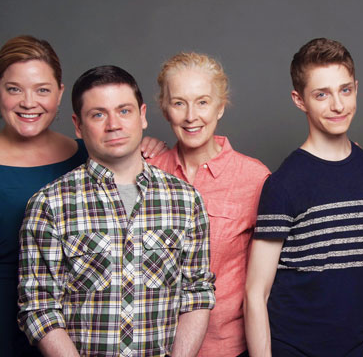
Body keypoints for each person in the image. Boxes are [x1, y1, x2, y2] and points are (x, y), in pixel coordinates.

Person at [0, 36, 165, 356]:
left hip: (87, 340)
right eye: (14, 89)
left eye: (42, 89)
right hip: (9, 339)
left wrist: (153, 149)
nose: (29, 102)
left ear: (60, 94)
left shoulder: (91, 153)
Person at [17, 65, 215, 356]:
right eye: (98, 114)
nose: (114, 124)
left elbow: (197, 294)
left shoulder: (186, 201)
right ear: (77, 124)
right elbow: (39, 307)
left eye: (124, 111)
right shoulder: (49, 204)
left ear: (142, 115)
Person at [244, 38, 363, 357]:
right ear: (300, 100)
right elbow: (255, 291)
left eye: (345, 90)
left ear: (356, 88)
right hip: (295, 347)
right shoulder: (283, 184)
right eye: (322, 94)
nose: (337, 105)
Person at [148, 52, 270, 357]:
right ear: (164, 109)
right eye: (179, 103)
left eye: (202, 102)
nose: (191, 116)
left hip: (225, 347)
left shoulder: (254, 178)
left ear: (220, 106)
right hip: (152, 346)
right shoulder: (145, 174)